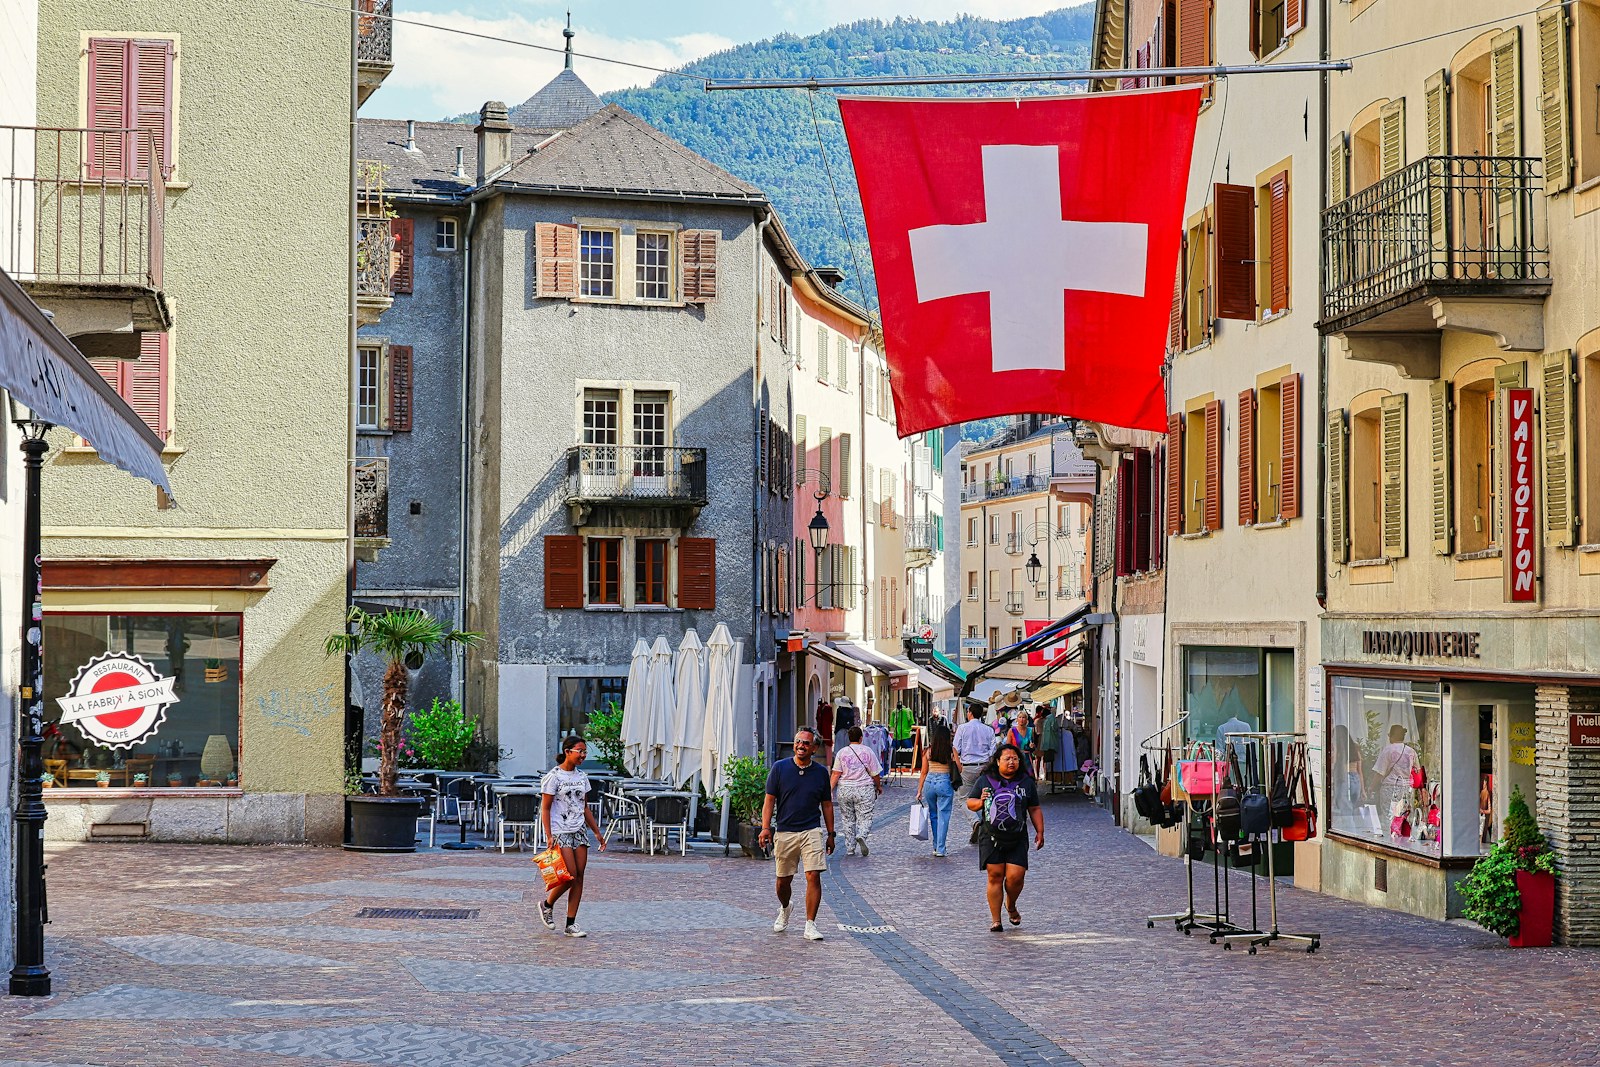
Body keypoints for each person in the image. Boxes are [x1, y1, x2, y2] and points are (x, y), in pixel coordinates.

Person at [759, 727, 835, 942]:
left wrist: (831, 833)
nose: (801, 746)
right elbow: (769, 800)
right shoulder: (780, 768)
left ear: (814, 748)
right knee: (783, 881)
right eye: (798, 742)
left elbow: (827, 805)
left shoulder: (820, 772)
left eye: (806, 743)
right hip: (785, 831)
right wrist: (766, 827)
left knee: (813, 874)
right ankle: (785, 907)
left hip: (811, 829)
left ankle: (810, 924)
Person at [966, 742, 1045, 932]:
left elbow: (1034, 808)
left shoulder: (1026, 782)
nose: (1012, 762)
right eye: (1007, 759)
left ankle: (1011, 905)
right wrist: (981, 802)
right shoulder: (986, 780)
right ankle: (996, 920)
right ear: (997, 761)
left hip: (1017, 836)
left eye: (1015, 759)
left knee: (1015, 877)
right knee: (995, 875)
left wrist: (1040, 831)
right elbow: (970, 802)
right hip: (990, 835)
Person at [539, 735, 606, 938]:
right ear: (567, 751)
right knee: (569, 875)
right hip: (561, 830)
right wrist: (548, 835)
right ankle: (547, 904)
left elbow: (584, 807)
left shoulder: (582, 777)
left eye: (585, 752)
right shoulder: (553, 777)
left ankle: (571, 923)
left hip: (579, 830)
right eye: (580, 751)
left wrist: (596, 832)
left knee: (579, 877)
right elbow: (545, 808)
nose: (583, 755)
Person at [830, 724, 883, 856]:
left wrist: (829, 790)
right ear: (861, 738)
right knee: (865, 817)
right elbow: (875, 773)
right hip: (864, 789)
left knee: (847, 819)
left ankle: (850, 848)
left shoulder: (842, 753)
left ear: (849, 738)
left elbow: (836, 773)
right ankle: (862, 835)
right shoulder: (868, 751)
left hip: (845, 789)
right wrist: (878, 786)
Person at [916, 718, 962, 858]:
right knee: (944, 816)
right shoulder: (951, 751)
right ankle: (941, 848)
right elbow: (959, 769)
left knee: (934, 815)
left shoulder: (928, 751)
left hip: (930, 782)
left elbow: (923, 772)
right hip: (944, 782)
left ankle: (936, 845)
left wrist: (919, 790)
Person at [955, 706, 997, 843]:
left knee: (963, 798)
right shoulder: (989, 729)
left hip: (967, 767)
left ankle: (975, 822)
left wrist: (959, 765)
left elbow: (955, 748)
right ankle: (986, 827)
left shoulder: (962, 728)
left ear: (970, 713)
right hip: (983, 767)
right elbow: (993, 751)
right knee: (984, 797)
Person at [1374, 724, 1419, 834]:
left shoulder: (1388, 750)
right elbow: (1417, 770)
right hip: (1407, 788)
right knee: (1404, 814)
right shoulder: (1411, 751)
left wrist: (1371, 787)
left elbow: (1380, 772)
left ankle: (1389, 839)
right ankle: (1403, 837)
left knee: (1388, 815)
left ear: (1392, 736)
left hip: (1390, 786)